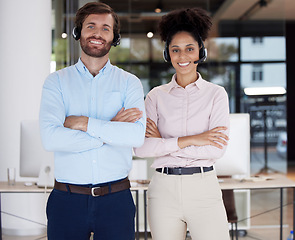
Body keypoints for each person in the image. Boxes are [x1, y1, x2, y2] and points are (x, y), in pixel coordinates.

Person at [39, 2, 146, 240]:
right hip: (67, 200)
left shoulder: (129, 83)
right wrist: (112, 128)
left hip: (116, 200)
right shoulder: (56, 82)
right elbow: (51, 138)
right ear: (79, 32)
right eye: (91, 26)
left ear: (114, 37)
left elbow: (135, 136)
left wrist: (85, 123)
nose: (98, 33)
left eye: (106, 28)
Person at [134, 8, 230, 240]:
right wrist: (193, 139)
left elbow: (216, 148)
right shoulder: (155, 97)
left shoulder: (216, 94)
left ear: (201, 52)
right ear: (168, 54)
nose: (182, 56)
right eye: (175, 50)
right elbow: (141, 148)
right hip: (163, 190)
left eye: (189, 49)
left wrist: (164, 143)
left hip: (203, 187)